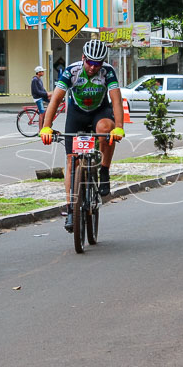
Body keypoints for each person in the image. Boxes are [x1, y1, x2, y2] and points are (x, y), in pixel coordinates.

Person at [39, 39, 124, 233]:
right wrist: (46, 127)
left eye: (98, 63)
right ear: (83, 58)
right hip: (76, 114)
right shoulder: (71, 71)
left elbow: (116, 100)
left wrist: (119, 127)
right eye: (90, 62)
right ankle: (70, 210)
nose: (93, 67)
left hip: (99, 112)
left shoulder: (107, 71)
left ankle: (104, 170)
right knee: (71, 162)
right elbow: (56, 99)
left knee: (105, 129)